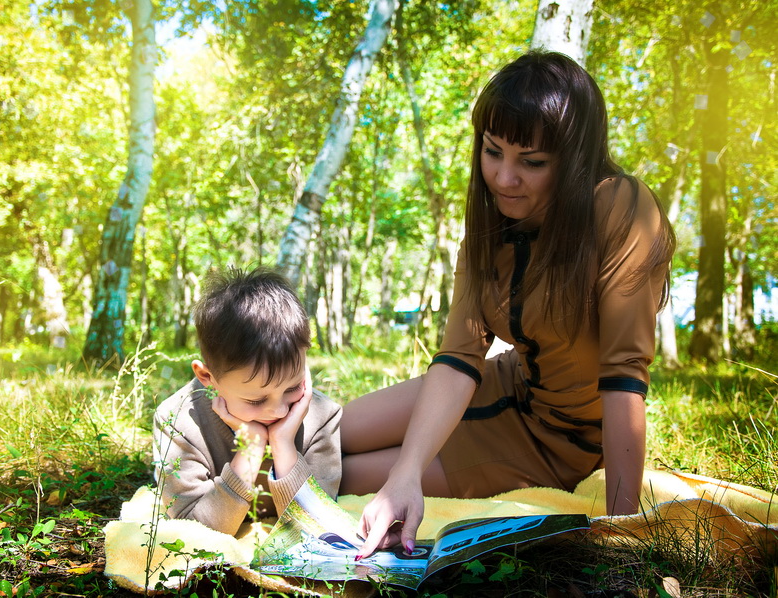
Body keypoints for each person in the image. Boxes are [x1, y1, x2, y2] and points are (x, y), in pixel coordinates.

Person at [339, 50, 676, 558]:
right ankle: (207, 430)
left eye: (532, 162)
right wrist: (405, 473)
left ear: (574, 160)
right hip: (504, 381)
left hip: (557, 443)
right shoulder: (490, 222)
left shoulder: (620, 208)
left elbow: (624, 374)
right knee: (329, 430)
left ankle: (227, 481)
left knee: (338, 474)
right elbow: (457, 358)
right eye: (493, 151)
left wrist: (622, 532)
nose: (503, 178)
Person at [153, 266, 342, 535]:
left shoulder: (322, 415)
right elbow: (194, 531)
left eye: (292, 387)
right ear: (207, 377)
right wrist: (251, 448)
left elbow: (315, 526)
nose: (278, 410)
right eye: (256, 400)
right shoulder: (178, 421)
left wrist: (283, 443)